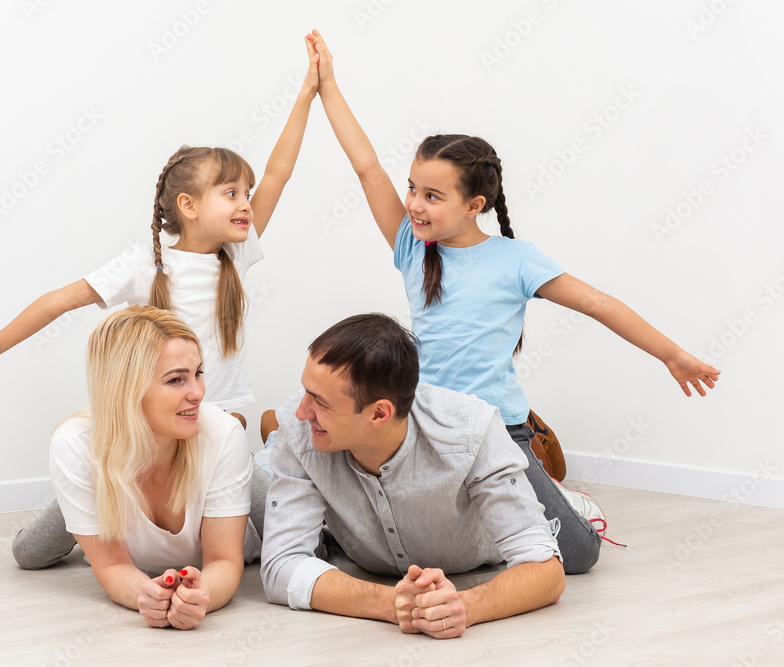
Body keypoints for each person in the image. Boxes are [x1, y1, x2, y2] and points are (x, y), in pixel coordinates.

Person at [303, 31, 721, 568]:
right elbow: (366, 168)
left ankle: (566, 503)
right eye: (412, 188)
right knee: (385, 543)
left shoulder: (516, 260)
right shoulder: (412, 246)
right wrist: (328, 87)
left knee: (575, 556)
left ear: (475, 204)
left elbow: (598, 303)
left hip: (497, 427)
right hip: (423, 423)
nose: (414, 204)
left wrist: (671, 354)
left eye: (432, 195)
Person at [0, 38, 318, 567]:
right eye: (230, 193)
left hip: (209, 441)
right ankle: (92, 506)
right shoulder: (145, 267)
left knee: (284, 533)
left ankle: (271, 450)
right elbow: (58, 301)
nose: (246, 203)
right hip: (139, 446)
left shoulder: (238, 255)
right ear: (187, 206)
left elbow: (279, 173)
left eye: (246, 194)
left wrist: (306, 94)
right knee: (31, 554)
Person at [260, 313, 566, 638]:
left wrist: (464, 606)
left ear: (379, 413)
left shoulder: (472, 429)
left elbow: (547, 571)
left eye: (320, 402)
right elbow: (280, 565)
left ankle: (559, 486)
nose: (301, 411)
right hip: (368, 555)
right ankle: (268, 450)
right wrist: (392, 603)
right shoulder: (297, 431)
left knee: (579, 551)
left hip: (480, 552)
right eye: (306, 391)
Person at [46, 306, 257, 629]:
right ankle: (73, 500)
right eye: (176, 380)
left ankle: (268, 445)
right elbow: (113, 565)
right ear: (127, 389)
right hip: (110, 462)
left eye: (198, 373)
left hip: (224, 459)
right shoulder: (73, 445)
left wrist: (202, 597)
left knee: (295, 526)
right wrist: (146, 594)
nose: (198, 393)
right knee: (28, 554)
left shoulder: (224, 434)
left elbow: (224, 560)